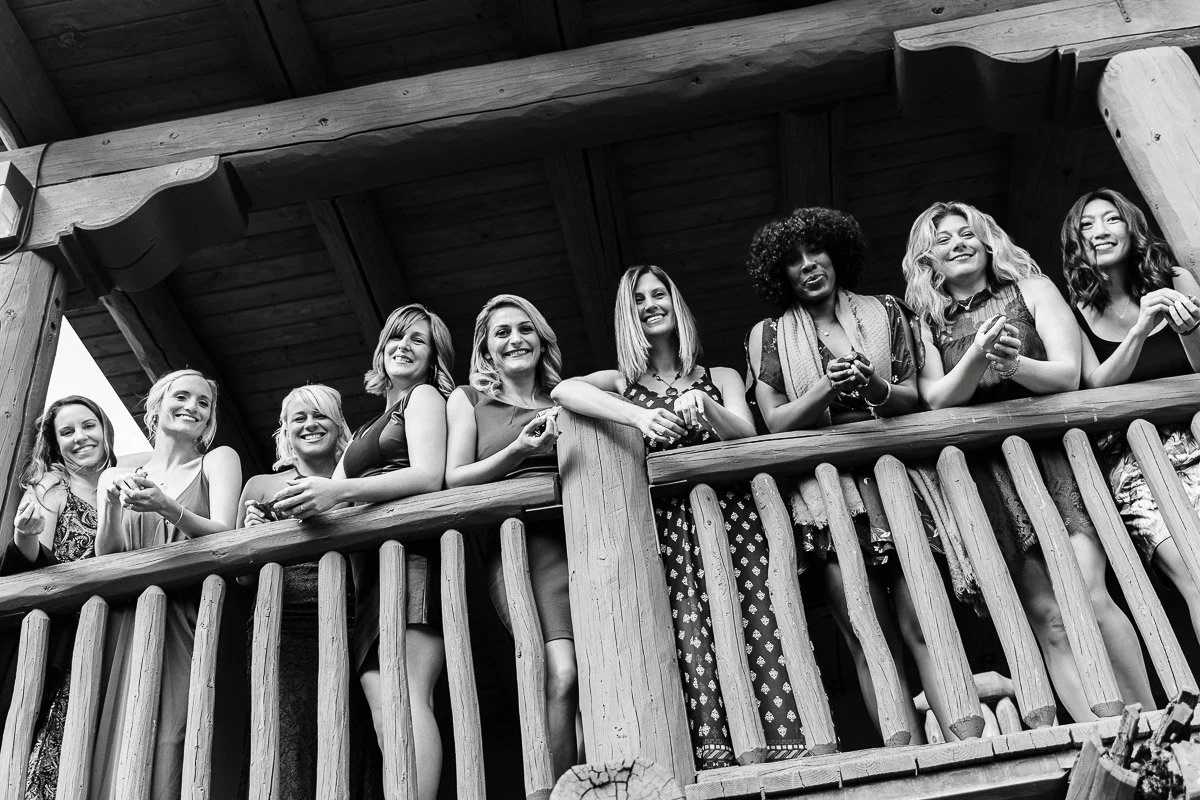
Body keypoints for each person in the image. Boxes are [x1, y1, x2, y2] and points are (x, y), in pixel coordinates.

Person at [903, 200, 1154, 720]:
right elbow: (935, 397)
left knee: (1088, 594)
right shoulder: (925, 321)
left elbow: (1068, 375)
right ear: (928, 261)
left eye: (966, 232)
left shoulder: (1032, 290)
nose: (958, 244)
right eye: (943, 239)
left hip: (1051, 462)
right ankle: (1102, 734)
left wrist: (1013, 363)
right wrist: (977, 356)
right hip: (986, 477)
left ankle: (1150, 720)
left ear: (986, 238)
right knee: (1048, 616)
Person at [552, 265, 805, 768]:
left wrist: (706, 408)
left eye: (658, 294)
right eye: (639, 300)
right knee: (692, 636)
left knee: (760, 622)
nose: (651, 305)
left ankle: (784, 753)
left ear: (676, 303)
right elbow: (564, 392)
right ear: (630, 314)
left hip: (735, 523)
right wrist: (639, 415)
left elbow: (749, 437)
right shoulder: (621, 382)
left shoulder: (722, 377)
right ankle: (715, 758)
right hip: (668, 531)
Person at [744, 207, 942, 742]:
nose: (809, 265)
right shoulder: (768, 336)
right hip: (824, 500)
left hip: (895, 483)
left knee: (924, 623)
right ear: (779, 274)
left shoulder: (885, 311)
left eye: (817, 252)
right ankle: (906, 755)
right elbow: (776, 420)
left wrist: (874, 386)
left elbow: (917, 395)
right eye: (794, 261)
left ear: (837, 255)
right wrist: (828, 388)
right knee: (866, 635)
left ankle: (959, 741)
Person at [269, 305, 450, 800]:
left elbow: (430, 476)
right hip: (368, 578)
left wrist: (335, 493)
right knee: (380, 697)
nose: (404, 346)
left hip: (411, 559)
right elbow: (335, 496)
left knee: (408, 690)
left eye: (419, 339)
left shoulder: (425, 397)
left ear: (434, 356)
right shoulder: (377, 421)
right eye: (396, 337)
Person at [92, 370, 243, 800]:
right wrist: (108, 507)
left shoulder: (218, 460)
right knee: (125, 732)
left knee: (175, 736)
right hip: (131, 618)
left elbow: (227, 533)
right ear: (156, 406)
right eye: (182, 396)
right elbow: (110, 557)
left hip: (192, 612)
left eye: (203, 403)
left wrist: (169, 508)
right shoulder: (118, 474)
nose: (192, 407)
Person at [445, 294, 578, 777]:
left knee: (601, 674)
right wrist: (520, 451)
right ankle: (551, 791)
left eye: (525, 329)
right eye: (501, 333)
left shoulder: (567, 398)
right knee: (559, 672)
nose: (515, 339)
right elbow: (454, 476)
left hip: (586, 543)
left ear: (542, 341)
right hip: (521, 551)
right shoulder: (470, 400)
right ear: (487, 349)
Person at [1061, 187, 1200, 641]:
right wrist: (1141, 329)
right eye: (1086, 225)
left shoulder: (1175, 279)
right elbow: (1095, 385)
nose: (1099, 231)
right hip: (1132, 459)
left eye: (1111, 220)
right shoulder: (1076, 310)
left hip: (1195, 439)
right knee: (1190, 570)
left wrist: (1190, 328)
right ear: (1076, 244)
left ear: (1131, 227)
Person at [237, 384, 367, 800]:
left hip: (351, 617)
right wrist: (254, 538)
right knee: (283, 729)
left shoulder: (358, 479)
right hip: (282, 623)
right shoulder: (261, 485)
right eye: (299, 418)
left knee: (349, 727)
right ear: (285, 432)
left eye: (320, 416)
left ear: (338, 426)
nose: (310, 425)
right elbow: (242, 578)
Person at [1, 397, 116, 800]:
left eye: (88, 426)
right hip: (58, 635)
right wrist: (25, 535)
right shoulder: (52, 484)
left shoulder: (124, 480)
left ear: (105, 429)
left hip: (110, 628)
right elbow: (37, 567)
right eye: (66, 432)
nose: (80, 437)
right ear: (54, 443)